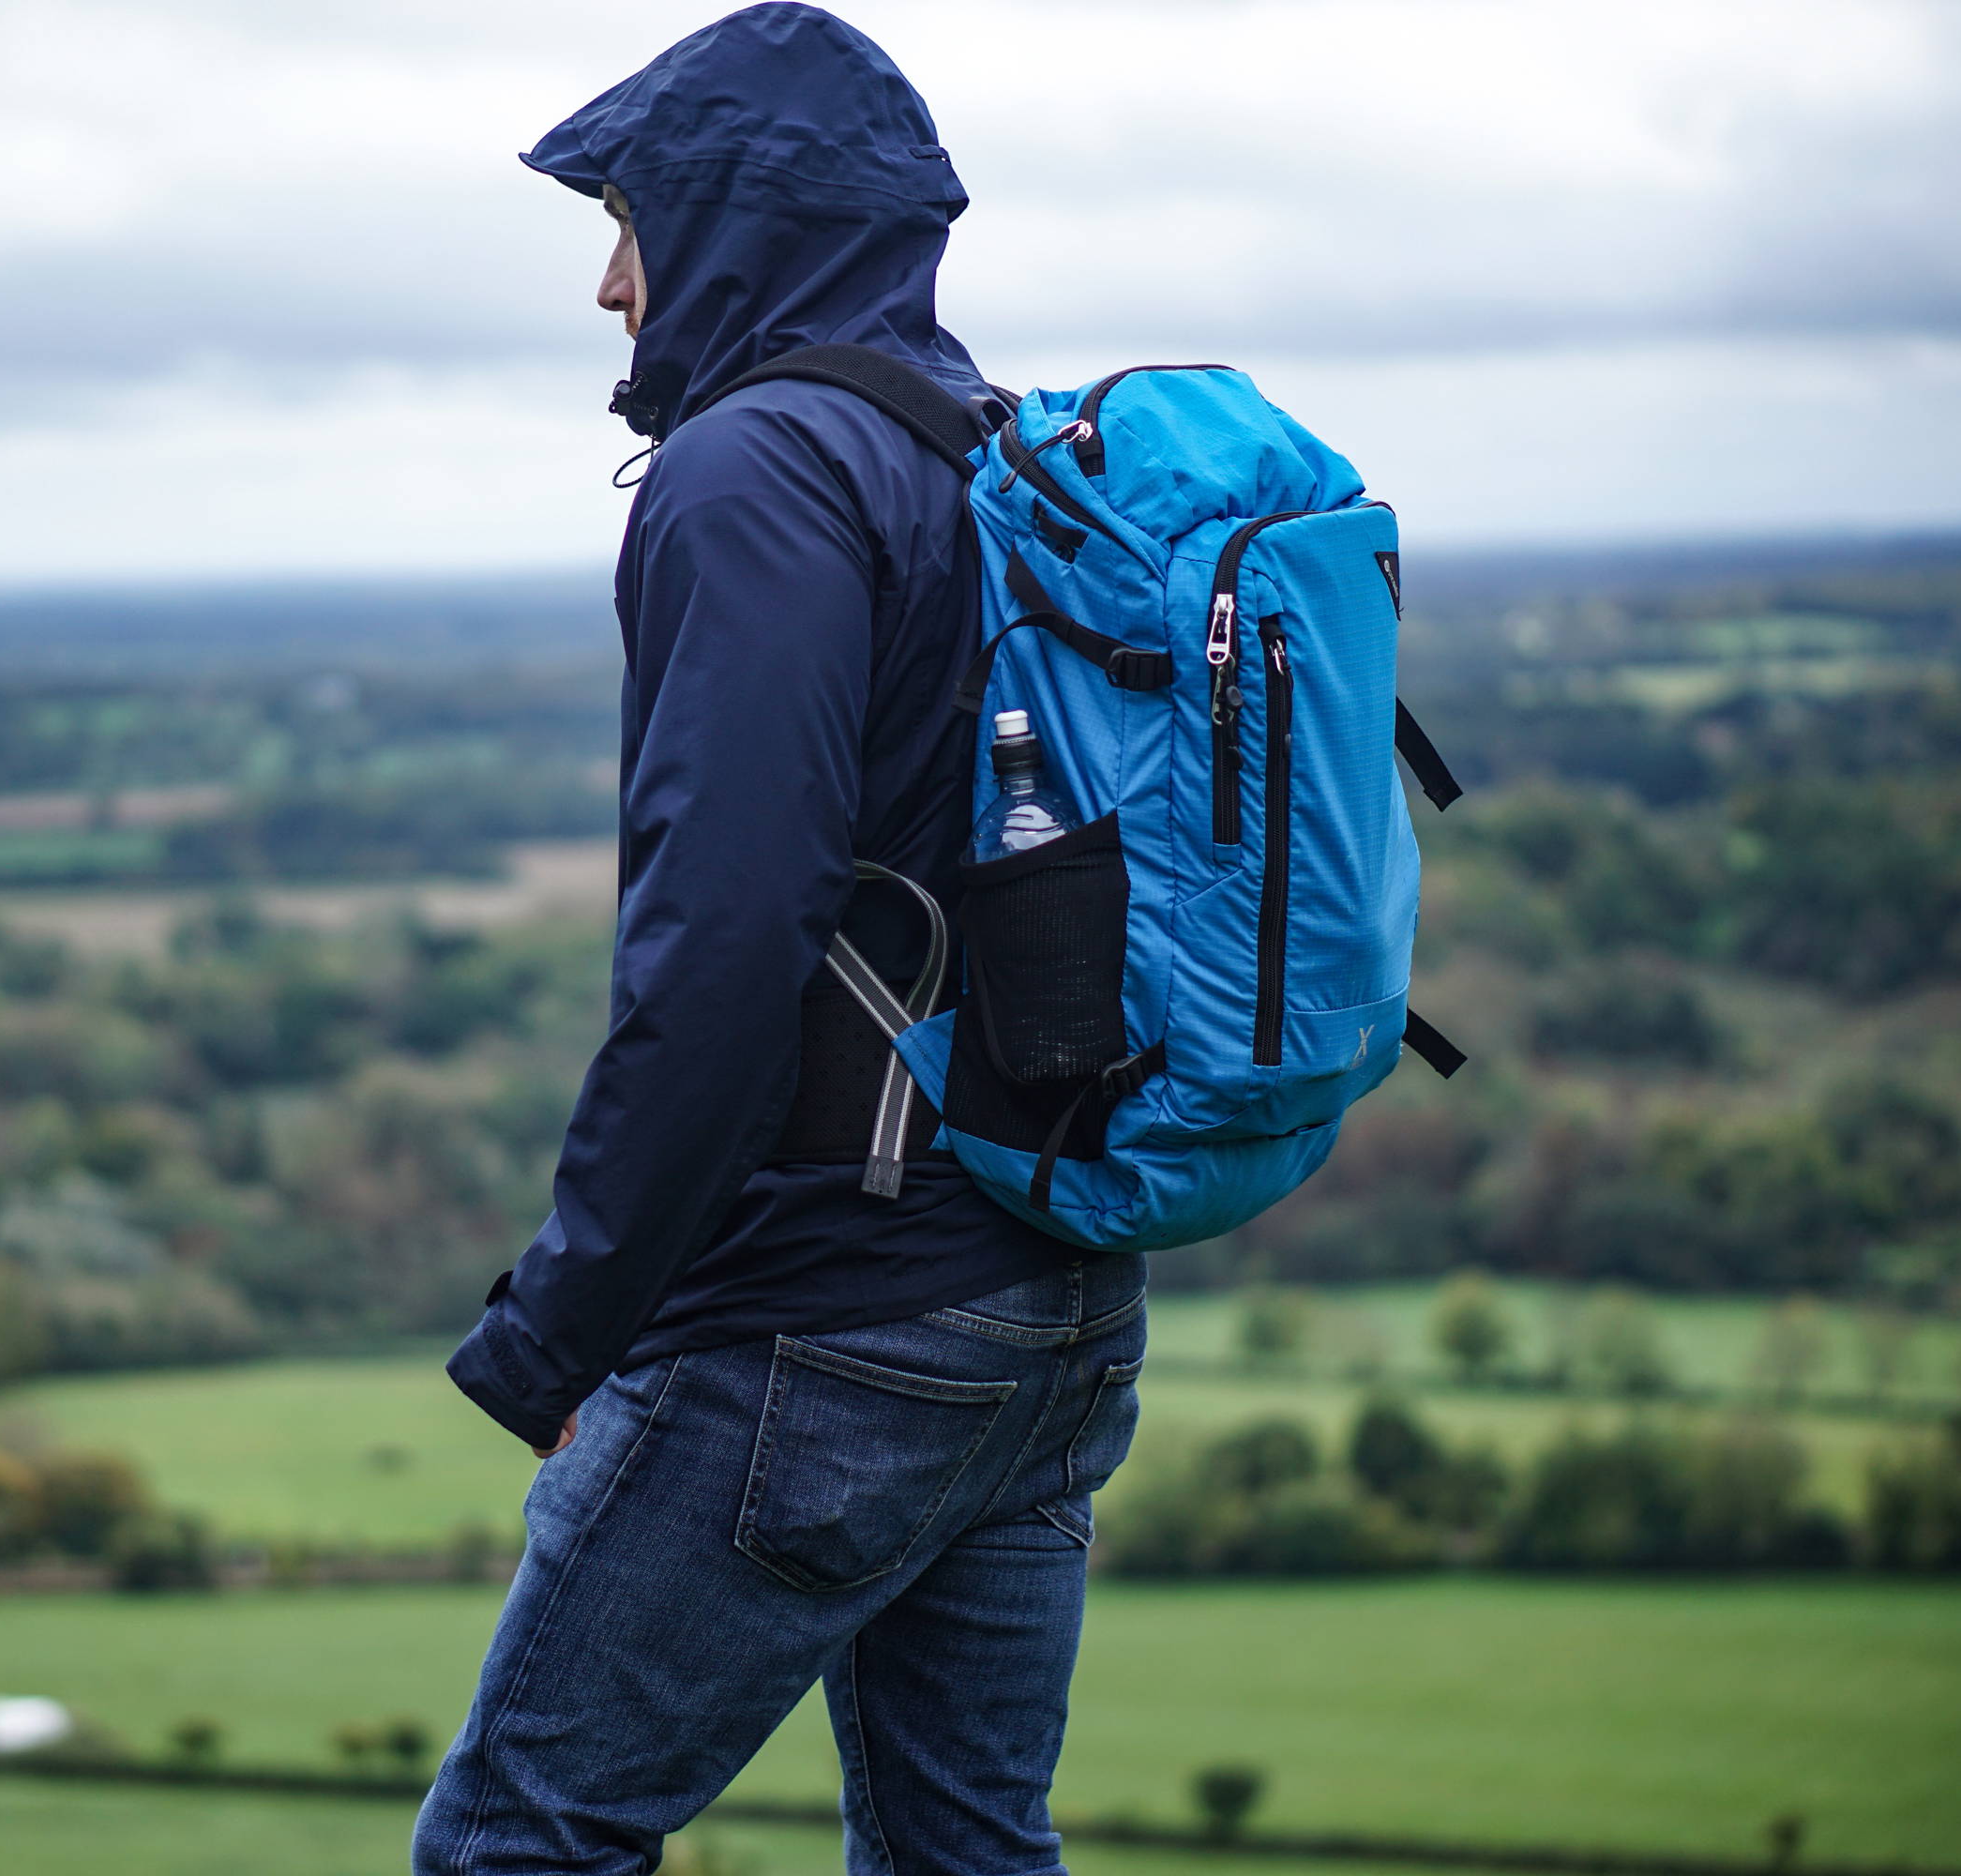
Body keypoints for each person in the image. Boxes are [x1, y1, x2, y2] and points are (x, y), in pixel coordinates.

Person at [416, 8, 1147, 1874]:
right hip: (1050, 1297)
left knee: (520, 1845)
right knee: (967, 1849)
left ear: (736, 219)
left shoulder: (758, 477)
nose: (605, 283)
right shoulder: (991, 453)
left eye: (632, 222)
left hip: (823, 1323)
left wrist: (557, 1331)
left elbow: (723, 951)